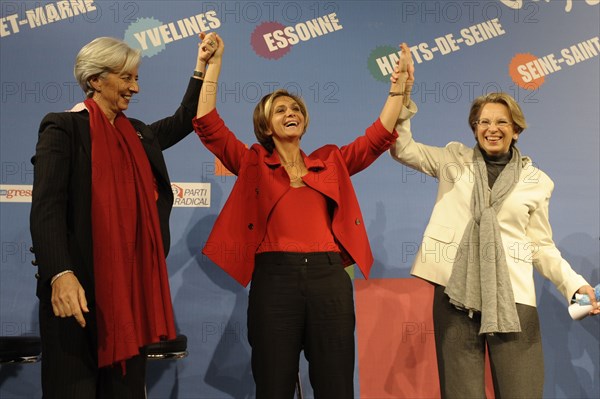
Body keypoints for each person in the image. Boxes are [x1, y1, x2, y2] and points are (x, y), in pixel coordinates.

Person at [193, 35, 411, 398]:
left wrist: (398, 91)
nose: (290, 113)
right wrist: (212, 65)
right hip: (275, 281)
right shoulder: (253, 163)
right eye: (280, 110)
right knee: (274, 384)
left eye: (295, 108)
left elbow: (377, 138)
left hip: (330, 279)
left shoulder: (329, 161)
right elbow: (207, 124)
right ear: (265, 125)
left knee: (336, 384)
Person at [389, 65, 600, 397]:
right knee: (461, 392)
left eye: (502, 122)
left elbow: (541, 246)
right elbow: (403, 147)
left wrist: (575, 285)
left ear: (516, 130)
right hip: (456, 293)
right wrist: (400, 95)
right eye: (484, 122)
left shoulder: (537, 181)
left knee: (522, 390)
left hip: (512, 296)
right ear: (474, 129)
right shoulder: (452, 160)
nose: (492, 128)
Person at [29, 34, 217, 398]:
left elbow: (184, 120)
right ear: (96, 80)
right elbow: (47, 207)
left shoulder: (139, 134)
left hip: (131, 296)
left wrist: (202, 67)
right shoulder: (62, 128)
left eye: (136, 77)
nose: (136, 87)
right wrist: (60, 274)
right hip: (77, 292)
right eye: (127, 78)